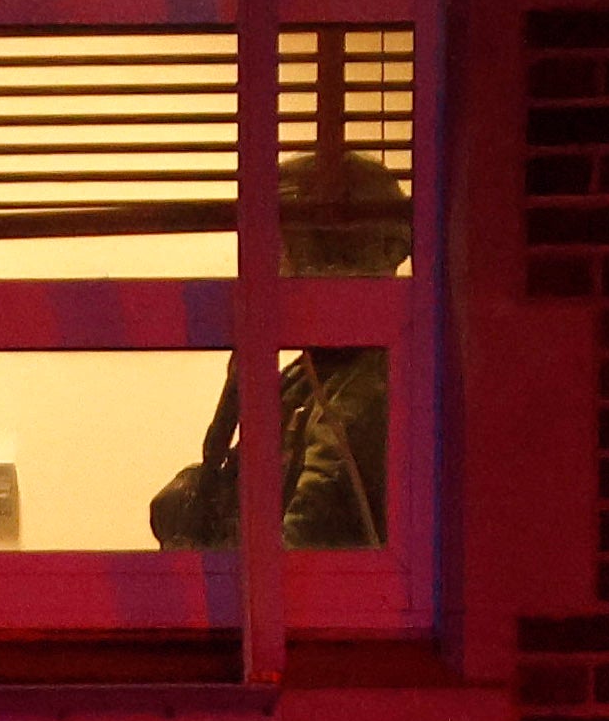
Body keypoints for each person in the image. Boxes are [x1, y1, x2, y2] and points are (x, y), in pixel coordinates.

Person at [147, 146, 411, 550]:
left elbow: (296, 555)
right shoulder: (313, 373)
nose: (273, 271)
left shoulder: (364, 394)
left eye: (283, 250)